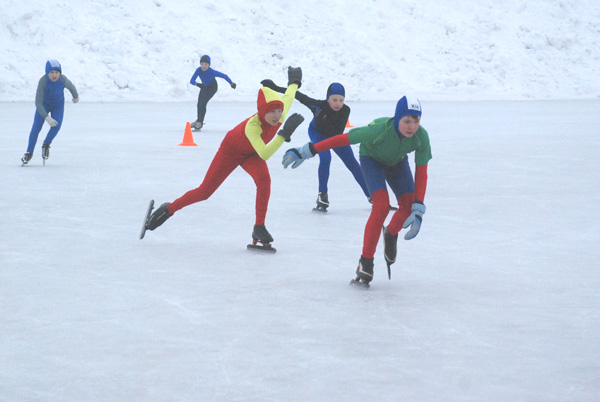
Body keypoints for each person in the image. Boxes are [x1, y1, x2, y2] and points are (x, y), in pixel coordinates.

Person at [144, 67, 304, 249]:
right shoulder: (253, 127)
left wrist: (294, 82)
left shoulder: (280, 115)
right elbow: (265, 153)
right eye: (271, 112)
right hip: (231, 151)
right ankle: (167, 210)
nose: (277, 116)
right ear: (262, 112)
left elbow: (289, 95)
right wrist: (284, 134)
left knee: (264, 180)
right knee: (205, 192)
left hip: (251, 154)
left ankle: (259, 227)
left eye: (279, 111)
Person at [282, 96, 432, 287]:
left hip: (397, 163)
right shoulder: (378, 130)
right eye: (406, 121)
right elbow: (340, 139)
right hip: (372, 161)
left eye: (416, 121)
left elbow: (422, 172)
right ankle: (366, 262)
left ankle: (390, 233)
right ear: (397, 118)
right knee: (381, 207)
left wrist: (418, 207)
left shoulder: (421, 137)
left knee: (408, 206)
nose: (411, 127)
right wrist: (310, 149)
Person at [260, 79, 369, 212]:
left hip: (335, 136)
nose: (338, 103)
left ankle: (371, 195)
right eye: (334, 100)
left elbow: (336, 134)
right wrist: (275, 87)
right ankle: (322, 195)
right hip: (317, 133)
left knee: (352, 162)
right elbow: (298, 95)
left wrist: (311, 149)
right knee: (325, 158)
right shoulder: (317, 106)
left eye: (341, 100)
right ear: (328, 98)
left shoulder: (346, 110)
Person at [21, 60, 79, 165]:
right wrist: (47, 117)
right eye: (51, 72)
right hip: (43, 105)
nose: (54, 75)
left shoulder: (63, 79)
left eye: (57, 72)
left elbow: (71, 87)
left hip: (58, 105)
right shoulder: (43, 81)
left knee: (57, 126)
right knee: (36, 128)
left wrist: (75, 97)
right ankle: (29, 153)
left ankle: (46, 144)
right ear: (47, 72)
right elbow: (38, 102)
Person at [189, 55, 236, 131]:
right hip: (204, 87)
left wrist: (231, 83)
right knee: (199, 103)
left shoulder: (211, 71)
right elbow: (191, 80)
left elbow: (224, 76)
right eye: (202, 64)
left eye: (206, 64)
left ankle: (200, 122)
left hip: (212, 88)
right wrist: (198, 84)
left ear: (209, 65)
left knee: (203, 103)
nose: (204, 66)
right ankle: (198, 120)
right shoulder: (198, 70)